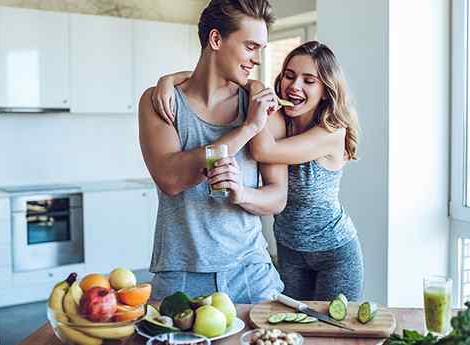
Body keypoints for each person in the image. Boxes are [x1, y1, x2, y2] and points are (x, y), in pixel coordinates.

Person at [153, 41, 364, 301]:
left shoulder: (331, 132)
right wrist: (169, 79)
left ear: (325, 91)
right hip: (289, 250)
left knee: (334, 335)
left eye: (309, 81)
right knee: (295, 330)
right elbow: (216, 75)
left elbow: (263, 151)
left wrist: (256, 92)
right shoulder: (280, 119)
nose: (295, 86)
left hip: (333, 252)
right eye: (289, 75)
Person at [138, 0, 287, 304]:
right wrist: (246, 129)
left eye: (260, 49)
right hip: (180, 276)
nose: (255, 59)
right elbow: (171, 178)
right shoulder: (161, 102)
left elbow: (278, 197)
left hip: (252, 275)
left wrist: (242, 193)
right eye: (249, 47)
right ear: (216, 39)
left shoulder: (260, 104)